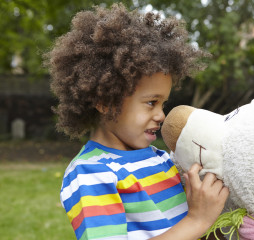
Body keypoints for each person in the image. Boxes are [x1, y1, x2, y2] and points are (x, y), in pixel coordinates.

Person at [44, 3, 229, 240]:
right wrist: (198, 220)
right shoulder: (92, 173)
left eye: (163, 104)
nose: (161, 115)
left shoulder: (161, 159)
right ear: (105, 102)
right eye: (151, 102)